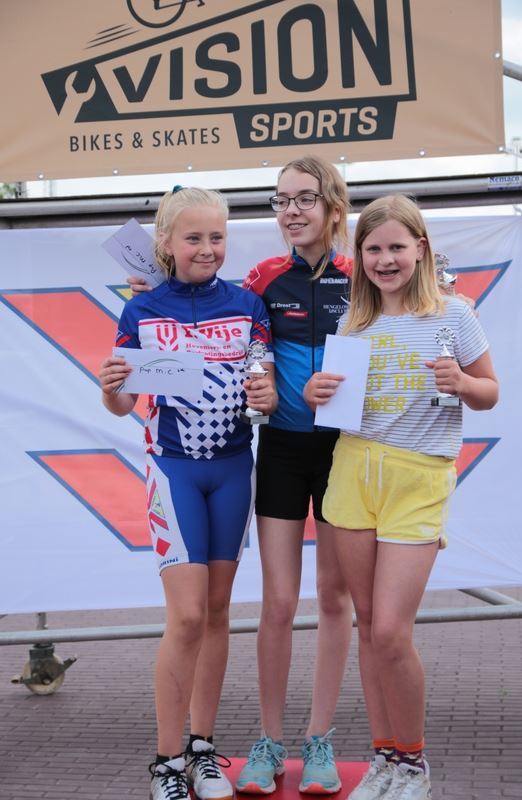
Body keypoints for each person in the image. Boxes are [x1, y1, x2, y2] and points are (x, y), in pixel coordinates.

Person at [128, 156, 356, 795]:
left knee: (333, 599)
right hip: (279, 450)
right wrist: (154, 286)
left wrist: (451, 300)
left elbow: (422, 307)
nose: (292, 210)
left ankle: (318, 738)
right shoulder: (260, 280)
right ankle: (268, 740)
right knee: (277, 603)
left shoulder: (361, 273)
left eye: (305, 198)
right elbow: (198, 308)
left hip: (345, 451)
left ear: (333, 205)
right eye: (282, 199)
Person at [304, 195, 499, 800]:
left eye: (396, 246)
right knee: (367, 626)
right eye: (373, 248)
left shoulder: (453, 314)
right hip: (352, 473)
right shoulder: (353, 321)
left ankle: (413, 764)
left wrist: (462, 382)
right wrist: (315, 392)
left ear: (421, 248)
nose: (385, 259)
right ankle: (385, 759)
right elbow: (334, 400)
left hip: (418, 477)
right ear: (359, 256)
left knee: (391, 630)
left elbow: (490, 392)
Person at [100, 186, 277, 800]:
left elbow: (263, 381)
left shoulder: (249, 304)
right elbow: (123, 402)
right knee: (188, 615)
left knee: (219, 611)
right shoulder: (142, 310)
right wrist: (111, 387)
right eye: (194, 237)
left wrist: (266, 394)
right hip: (173, 471)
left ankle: (202, 749)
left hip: (233, 470)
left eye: (216, 237)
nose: (207, 248)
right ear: (167, 243)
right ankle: (166, 762)